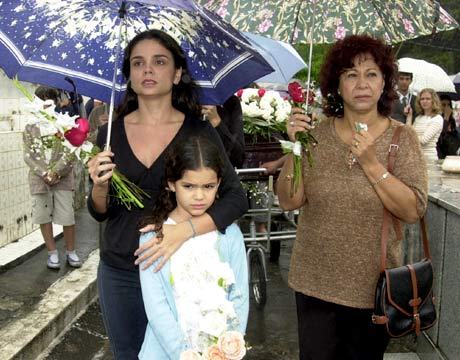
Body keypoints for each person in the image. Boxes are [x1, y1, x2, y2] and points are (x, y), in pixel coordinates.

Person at [86, 29, 248, 359]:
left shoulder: (199, 130)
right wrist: (100, 187)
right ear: (129, 76)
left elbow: (235, 198)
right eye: (138, 63)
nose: (147, 70)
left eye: (159, 62)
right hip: (122, 271)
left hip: (184, 275)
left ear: (176, 74)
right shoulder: (108, 134)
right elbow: (100, 211)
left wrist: (181, 232)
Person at [277, 35, 428, 359]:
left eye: (371, 74)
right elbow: (289, 200)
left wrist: (372, 163)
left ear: (384, 82)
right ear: (337, 84)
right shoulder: (315, 135)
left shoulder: (403, 138)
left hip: (373, 293)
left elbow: (413, 210)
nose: (362, 83)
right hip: (314, 284)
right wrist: (296, 147)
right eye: (351, 74)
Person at [137, 136, 249, 358]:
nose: (199, 196)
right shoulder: (153, 237)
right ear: (171, 183)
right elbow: (157, 309)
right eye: (188, 186)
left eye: (208, 186)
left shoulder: (230, 236)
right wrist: (184, 354)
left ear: (219, 183)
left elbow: (240, 297)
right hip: (165, 353)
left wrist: (227, 347)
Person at [23, 86, 81, 269]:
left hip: (62, 178)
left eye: (50, 99)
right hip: (39, 179)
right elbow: (27, 155)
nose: (47, 103)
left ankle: (71, 251)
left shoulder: (64, 124)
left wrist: (56, 172)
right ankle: (52, 252)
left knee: (67, 216)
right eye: (43, 99)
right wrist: (44, 173)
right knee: (43, 216)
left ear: (56, 102)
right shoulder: (30, 127)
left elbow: (71, 152)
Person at [201, 94, 245, 168]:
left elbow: (238, 157)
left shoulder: (230, 102)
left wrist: (216, 122)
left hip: (220, 171)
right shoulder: (182, 104)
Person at [407, 88, 444, 162]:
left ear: (433, 101)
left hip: (429, 158)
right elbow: (408, 132)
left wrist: (410, 136)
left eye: (428, 99)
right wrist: (409, 116)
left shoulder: (437, 118)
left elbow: (424, 140)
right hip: (415, 158)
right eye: (422, 99)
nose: (424, 101)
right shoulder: (419, 118)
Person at [437, 94, 460, 158]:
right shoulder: (436, 119)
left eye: (448, 105)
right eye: (443, 105)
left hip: (451, 152)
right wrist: (446, 117)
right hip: (440, 153)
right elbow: (440, 136)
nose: (447, 107)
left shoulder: (452, 120)